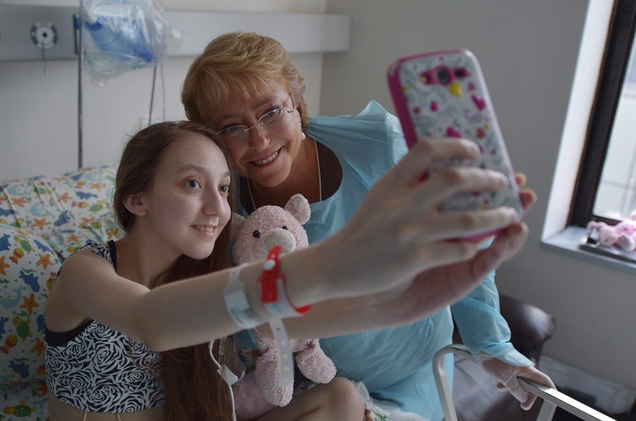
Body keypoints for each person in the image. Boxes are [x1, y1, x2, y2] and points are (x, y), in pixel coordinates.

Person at [44, 120, 528, 421]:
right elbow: (151, 320)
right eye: (192, 184)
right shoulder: (85, 273)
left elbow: (285, 322)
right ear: (137, 199)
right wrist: (334, 262)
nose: (217, 207)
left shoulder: (200, 274)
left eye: (224, 188)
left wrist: (395, 304)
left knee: (340, 398)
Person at [181, 31, 554, 420]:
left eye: (271, 112)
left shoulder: (380, 147)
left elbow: (463, 239)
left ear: (296, 100)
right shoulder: (219, 205)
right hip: (315, 387)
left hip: (414, 373)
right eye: (232, 128)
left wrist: (492, 347)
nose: (259, 140)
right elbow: (236, 313)